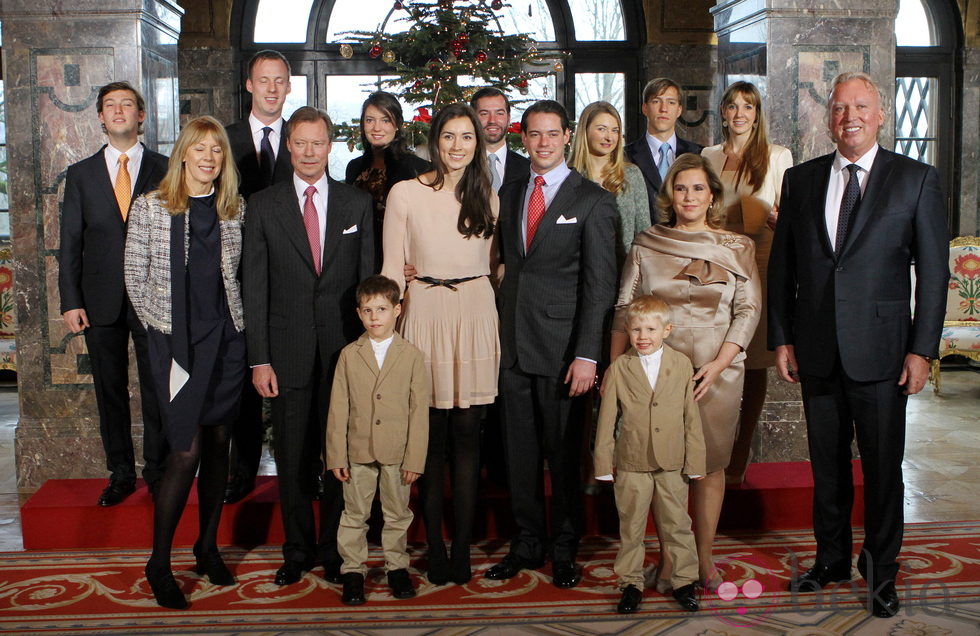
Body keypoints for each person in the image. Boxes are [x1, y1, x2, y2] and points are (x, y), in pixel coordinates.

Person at [768, 72, 949, 618]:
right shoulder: (800, 181)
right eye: (840, 107)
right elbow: (783, 270)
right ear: (828, 118)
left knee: (882, 468)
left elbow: (936, 275)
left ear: (881, 114)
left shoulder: (916, 179)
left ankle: (880, 571)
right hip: (817, 350)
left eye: (861, 106)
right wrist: (781, 338)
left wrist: (922, 350)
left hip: (884, 353)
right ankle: (829, 560)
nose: (850, 116)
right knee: (827, 466)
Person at [610, 153, 761, 591]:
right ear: (669, 195)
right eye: (681, 188)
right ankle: (674, 561)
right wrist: (616, 369)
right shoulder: (646, 243)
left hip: (720, 371)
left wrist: (719, 364)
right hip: (657, 375)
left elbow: (749, 310)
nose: (689, 196)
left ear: (712, 194)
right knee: (665, 470)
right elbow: (624, 309)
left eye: (698, 188)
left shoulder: (737, 247)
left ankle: (705, 562)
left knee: (710, 468)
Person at [486, 100, 618, 589]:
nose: (542, 143)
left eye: (551, 134)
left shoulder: (593, 200)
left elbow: (600, 286)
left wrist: (588, 354)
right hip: (513, 348)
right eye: (534, 134)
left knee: (563, 457)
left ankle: (565, 549)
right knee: (519, 455)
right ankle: (526, 544)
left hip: (565, 354)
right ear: (525, 138)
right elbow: (506, 266)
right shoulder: (512, 190)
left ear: (567, 136)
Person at [243, 106, 375, 588]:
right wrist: (259, 358)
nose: (308, 152)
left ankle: (338, 550)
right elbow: (253, 289)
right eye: (299, 143)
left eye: (317, 143)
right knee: (294, 456)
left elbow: (368, 286)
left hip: (344, 354)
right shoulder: (264, 205)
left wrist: (368, 355)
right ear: (289, 145)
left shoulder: (356, 204)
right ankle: (297, 548)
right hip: (287, 353)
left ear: (330, 145)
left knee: (340, 453)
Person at [124, 116, 246, 610]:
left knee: (219, 442)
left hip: (226, 340)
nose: (209, 158)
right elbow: (136, 281)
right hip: (176, 344)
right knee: (186, 450)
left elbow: (234, 278)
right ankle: (158, 561)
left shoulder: (233, 209)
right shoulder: (150, 207)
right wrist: (170, 337)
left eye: (216, 150)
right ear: (183, 154)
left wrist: (237, 333)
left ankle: (206, 546)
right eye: (200, 149)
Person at [381, 102, 499, 585]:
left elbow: (499, 263)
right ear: (435, 142)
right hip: (424, 311)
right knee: (428, 440)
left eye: (466, 137)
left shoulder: (488, 194)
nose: (457, 146)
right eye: (449, 136)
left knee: (469, 435)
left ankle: (464, 548)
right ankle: (431, 546)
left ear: (478, 143)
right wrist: (388, 335)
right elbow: (392, 268)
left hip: (474, 311)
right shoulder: (405, 193)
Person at [59, 81, 169, 507]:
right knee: (110, 390)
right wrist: (71, 300)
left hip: (154, 298)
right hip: (98, 299)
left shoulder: (164, 168)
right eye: (110, 106)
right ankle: (120, 473)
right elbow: (70, 241)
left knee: (157, 388)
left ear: (141, 116)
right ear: (101, 118)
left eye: (127, 104)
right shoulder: (81, 174)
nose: (119, 111)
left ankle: (157, 471)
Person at [700, 81, 793, 484]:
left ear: (757, 114)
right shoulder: (707, 155)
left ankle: (740, 458)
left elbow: (792, 217)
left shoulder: (777, 156)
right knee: (716, 355)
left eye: (749, 107)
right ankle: (709, 452)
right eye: (733, 106)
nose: (740, 114)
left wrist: (781, 219)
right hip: (717, 266)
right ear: (722, 112)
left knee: (754, 364)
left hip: (762, 265)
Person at [594, 294, 704, 614]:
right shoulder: (620, 368)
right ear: (628, 331)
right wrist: (603, 462)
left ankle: (684, 581)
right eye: (636, 330)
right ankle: (630, 584)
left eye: (651, 330)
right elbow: (606, 420)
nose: (643, 337)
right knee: (631, 527)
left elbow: (691, 418)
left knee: (677, 524)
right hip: (632, 461)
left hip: (672, 460)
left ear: (666, 330)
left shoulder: (682, 364)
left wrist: (695, 462)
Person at [326, 275, 430, 606]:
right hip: (357, 450)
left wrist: (415, 459)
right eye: (368, 310)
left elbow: (419, 412)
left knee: (397, 513)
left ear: (397, 310)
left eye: (382, 309)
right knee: (354, 514)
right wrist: (336, 455)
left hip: (397, 452)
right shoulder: (348, 355)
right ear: (358, 313)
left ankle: (397, 567)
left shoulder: (412, 355)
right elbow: (338, 409)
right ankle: (353, 572)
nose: (375, 317)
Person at [223, 48, 295, 505]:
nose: (271, 88)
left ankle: (303, 468)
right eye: (263, 80)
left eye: (279, 81)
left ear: (289, 87)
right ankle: (243, 470)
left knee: (294, 376)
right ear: (249, 85)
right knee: (241, 374)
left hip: (289, 276)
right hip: (233, 275)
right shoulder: (224, 140)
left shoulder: (302, 139)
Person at [345, 91, 430, 264]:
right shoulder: (354, 168)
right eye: (370, 120)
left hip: (401, 261)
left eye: (385, 120)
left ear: (397, 124)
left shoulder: (418, 169)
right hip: (359, 258)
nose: (377, 128)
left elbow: (425, 227)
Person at [569, 100, 650, 263]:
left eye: (615, 130)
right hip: (579, 271)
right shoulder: (569, 176)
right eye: (601, 129)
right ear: (585, 131)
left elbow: (644, 232)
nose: (609, 137)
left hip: (624, 270)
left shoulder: (631, 175)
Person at [625, 78, 703, 224]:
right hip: (643, 241)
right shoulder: (625, 156)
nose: (664, 109)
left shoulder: (698, 153)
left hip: (688, 240)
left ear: (679, 110)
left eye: (671, 102)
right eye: (656, 101)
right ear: (645, 108)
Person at [470, 87, 531, 192]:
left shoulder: (528, 169)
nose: (492, 120)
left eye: (499, 113)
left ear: (508, 118)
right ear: (473, 118)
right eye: (484, 114)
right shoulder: (462, 166)